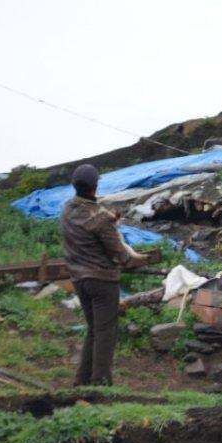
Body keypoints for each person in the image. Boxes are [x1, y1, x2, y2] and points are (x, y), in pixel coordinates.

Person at [59, 164, 150, 385]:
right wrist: (141, 259)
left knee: (93, 330)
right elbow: (121, 256)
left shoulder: (67, 211)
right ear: (96, 185)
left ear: (74, 185)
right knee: (106, 332)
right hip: (102, 281)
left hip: (79, 280)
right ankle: (101, 381)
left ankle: (82, 380)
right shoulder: (101, 219)